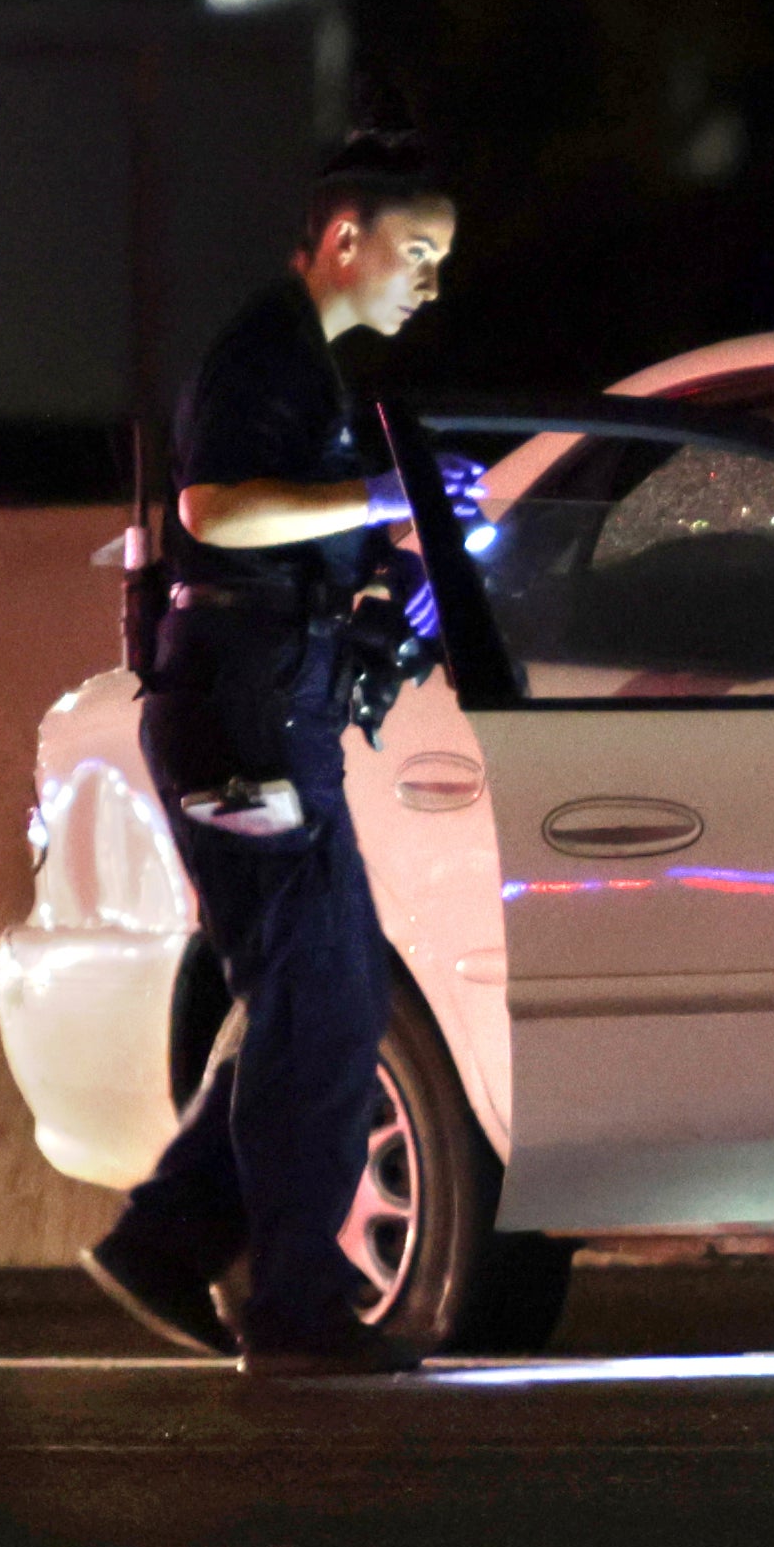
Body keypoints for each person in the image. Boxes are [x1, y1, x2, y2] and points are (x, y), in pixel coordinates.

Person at [79, 131, 459, 1377]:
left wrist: (398, 556)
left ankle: (169, 1240)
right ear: (345, 238)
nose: (430, 282)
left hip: (268, 700)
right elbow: (212, 510)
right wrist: (387, 504)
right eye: (419, 252)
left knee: (318, 993)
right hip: (241, 706)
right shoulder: (266, 351)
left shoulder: (304, 362)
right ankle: (289, 1307)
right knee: (318, 1001)